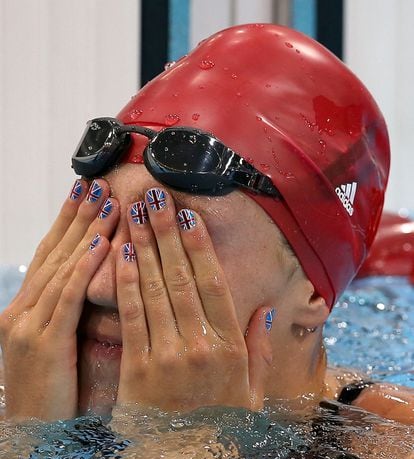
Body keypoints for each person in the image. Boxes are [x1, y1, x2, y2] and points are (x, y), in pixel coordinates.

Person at [0, 23, 413, 424]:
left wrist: (179, 446)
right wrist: (23, 431)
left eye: (172, 238)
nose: (103, 285)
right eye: (100, 225)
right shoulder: (16, 384)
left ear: (313, 296)